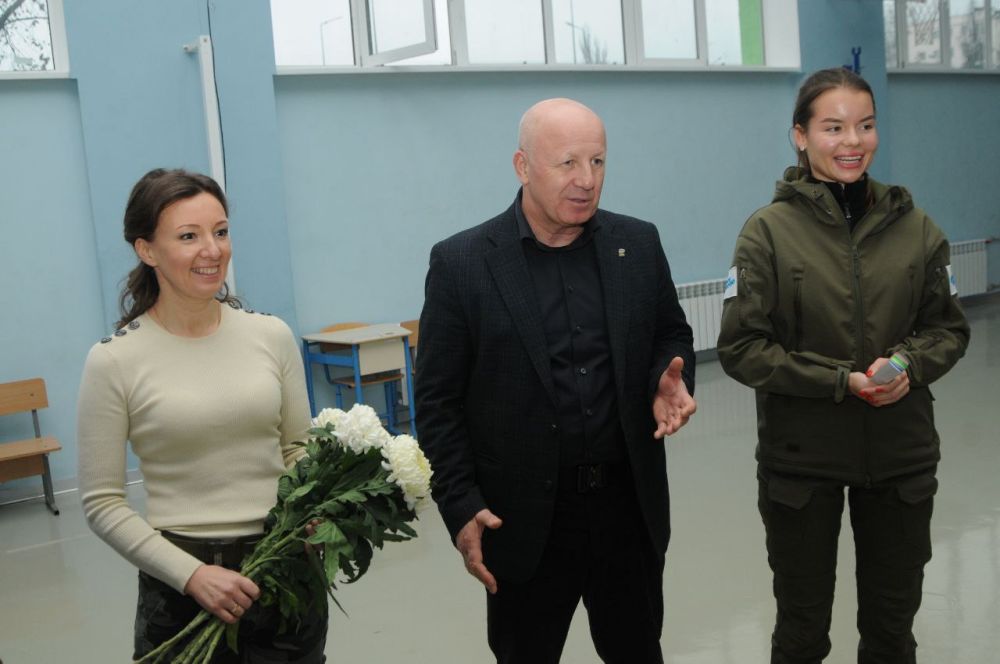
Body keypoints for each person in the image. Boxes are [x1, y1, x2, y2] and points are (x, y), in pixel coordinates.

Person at [414, 98, 697, 663]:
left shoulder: (637, 245)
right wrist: (460, 505)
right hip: (523, 521)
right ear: (523, 166)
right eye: (568, 163)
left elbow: (670, 333)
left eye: (597, 161)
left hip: (627, 507)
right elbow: (438, 402)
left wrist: (664, 378)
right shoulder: (463, 263)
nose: (586, 180)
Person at [717, 68, 970, 663]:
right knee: (802, 633)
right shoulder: (767, 233)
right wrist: (838, 380)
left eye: (865, 125)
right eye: (833, 127)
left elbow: (949, 328)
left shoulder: (917, 228)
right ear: (800, 136)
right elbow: (742, 347)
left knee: (891, 633)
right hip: (801, 462)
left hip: (900, 457)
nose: (853, 141)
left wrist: (908, 362)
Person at [77, 168, 327, 662]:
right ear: (147, 250)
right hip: (180, 581)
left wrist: (315, 507)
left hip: (285, 563)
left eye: (221, 231)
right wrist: (190, 575)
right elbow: (102, 502)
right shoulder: (113, 360)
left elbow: (298, 448)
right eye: (188, 236)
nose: (212, 250)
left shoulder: (271, 335)